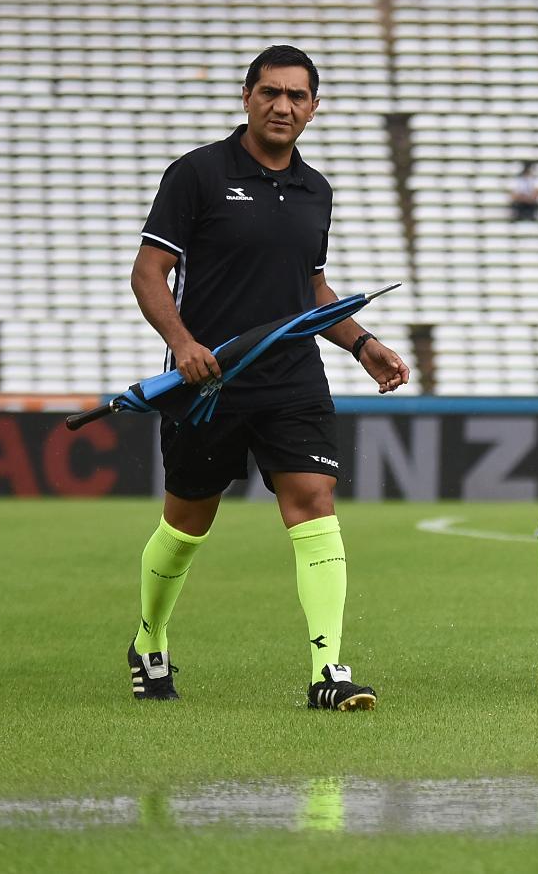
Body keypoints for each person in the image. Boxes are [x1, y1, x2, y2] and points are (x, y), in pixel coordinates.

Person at [127, 45, 410, 711]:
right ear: (246, 95)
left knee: (313, 499)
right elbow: (148, 272)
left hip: (292, 377)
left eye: (298, 96)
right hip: (209, 384)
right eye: (271, 93)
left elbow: (309, 288)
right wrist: (182, 342)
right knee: (188, 522)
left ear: (315, 108)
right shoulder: (195, 174)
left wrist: (361, 342)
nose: (283, 106)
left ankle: (327, 671)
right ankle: (150, 639)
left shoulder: (317, 190)